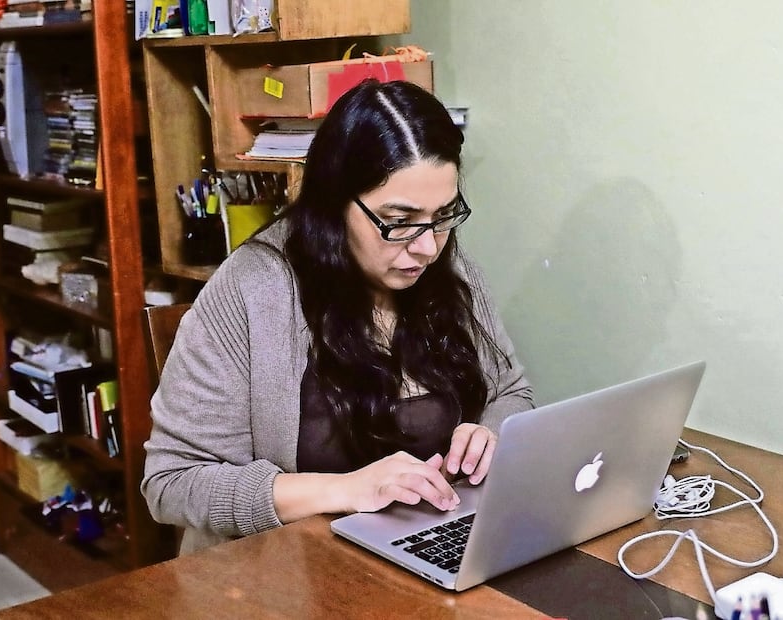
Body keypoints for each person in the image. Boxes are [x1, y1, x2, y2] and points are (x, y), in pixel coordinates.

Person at [141, 79, 535, 554]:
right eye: (400, 220)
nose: (427, 247)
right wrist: (347, 490)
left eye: (443, 216)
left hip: (420, 549)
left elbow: (511, 393)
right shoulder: (253, 288)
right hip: (285, 575)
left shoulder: (443, 267)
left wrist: (490, 433)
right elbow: (173, 483)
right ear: (334, 204)